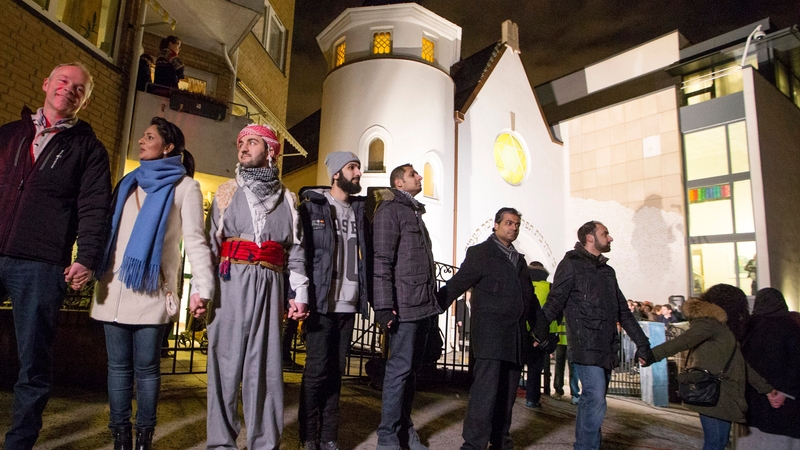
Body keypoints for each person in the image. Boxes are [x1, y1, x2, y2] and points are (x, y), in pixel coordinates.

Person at [0, 62, 112, 450]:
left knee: (33, 364)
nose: (70, 89)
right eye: (63, 81)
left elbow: (95, 208)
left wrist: (88, 257)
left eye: (80, 88)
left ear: (85, 100)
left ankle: (19, 443)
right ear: (46, 84)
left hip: (42, 263)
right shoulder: (9, 134)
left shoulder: (90, 150)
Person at [90, 117, 214, 449]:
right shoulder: (128, 182)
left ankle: (144, 435)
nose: (141, 141)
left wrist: (202, 287)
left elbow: (195, 240)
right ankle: (120, 436)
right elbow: (108, 233)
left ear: (168, 147)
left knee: (145, 369)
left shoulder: (185, 187)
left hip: (151, 289)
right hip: (114, 287)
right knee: (117, 368)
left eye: (149, 137)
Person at [205, 124, 308, 450]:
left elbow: (296, 251)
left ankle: (264, 443)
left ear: (271, 150)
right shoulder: (226, 192)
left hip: (270, 284)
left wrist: (299, 293)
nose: (243, 147)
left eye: (251, 142)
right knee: (224, 364)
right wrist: (201, 291)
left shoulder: (289, 200)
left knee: (265, 369)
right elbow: (209, 246)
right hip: (229, 281)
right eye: (241, 143)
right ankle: (221, 443)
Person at [533, 220, 653, 450]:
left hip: (606, 347)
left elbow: (624, 312)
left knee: (592, 403)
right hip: (585, 345)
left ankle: (586, 445)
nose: (610, 238)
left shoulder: (608, 272)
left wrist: (643, 343)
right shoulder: (570, 265)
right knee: (595, 398)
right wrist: (539, 331)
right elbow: (555, 301)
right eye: (605, 233)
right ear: (590, 237)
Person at [438, 208, 538, 449]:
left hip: (514, 338)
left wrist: (540, 331)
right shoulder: (481, 253)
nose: (513, 228)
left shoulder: (519, 260)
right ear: (496, 225)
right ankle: (473, 444)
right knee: (485, 395)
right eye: (508, 223)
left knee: (507, 395)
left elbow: (530, 299)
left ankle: (501, 441)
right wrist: (432, 306)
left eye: (516, 224)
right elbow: (458, 283)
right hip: (491, 336)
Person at [297, 152, 372, 450]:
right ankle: (308, 435)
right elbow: (301, 254)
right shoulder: (313, 207)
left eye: (358, 169)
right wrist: (299, 295)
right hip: (321, 302)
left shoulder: (359, 212)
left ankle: (329, 435)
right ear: (335, 173)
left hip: (349, 304)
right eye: (352, 168)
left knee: (336, 373)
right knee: (316, 371)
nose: (358, 173)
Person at [645, 285, 775, 450]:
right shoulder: (710, 322)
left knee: (718, 442)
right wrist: (651, 355)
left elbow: (740, 363)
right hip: (714, 392)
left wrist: (766, 389)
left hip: (723, 393)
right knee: (715, 443)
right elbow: (684, 341)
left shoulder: (721, 326)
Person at [372, 164, 440, 450]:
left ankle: (404, 430)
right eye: (414, 174)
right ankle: (387, 436)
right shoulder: (390, 211)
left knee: (410, 371)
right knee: (398, 371)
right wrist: (384, 307)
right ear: (399, 182)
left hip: (422, 305)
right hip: (405, 305)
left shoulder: (414, 212)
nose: (420, 177)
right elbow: (382, 260)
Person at [738, 288, 800, 449]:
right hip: (783, 401)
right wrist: (785, 392)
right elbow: (796, 363)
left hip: (753, 399)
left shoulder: (748, 327)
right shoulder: (791, 327)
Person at [524, 261, 557, 409]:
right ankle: (532, 399)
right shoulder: (550, 288)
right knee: (535, 369)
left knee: (515, 366)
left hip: (523, 332)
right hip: (542, 334)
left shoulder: (524, 286)